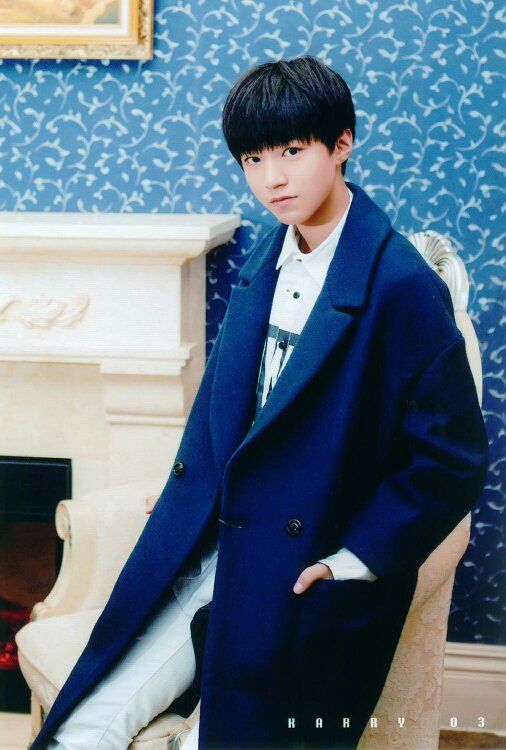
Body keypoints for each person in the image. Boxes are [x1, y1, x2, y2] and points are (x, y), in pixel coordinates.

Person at [32, 56, 489, 750]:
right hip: (218, 543)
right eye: (253, 158)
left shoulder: (401, 284)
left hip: (298, 570)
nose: (272, 177)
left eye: (292, 151)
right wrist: (192, 490)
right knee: (83, 726)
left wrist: (353, 561)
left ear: (342, 143)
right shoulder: (266, 259)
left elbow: (452, 459)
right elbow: (238, 407)